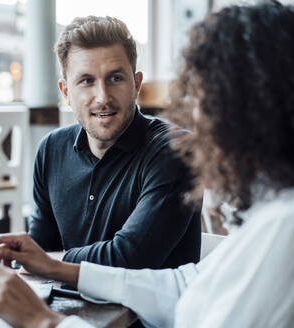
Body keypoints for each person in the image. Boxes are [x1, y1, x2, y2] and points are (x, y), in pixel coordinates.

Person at [0, 2, 294, 327]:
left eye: (209, 98)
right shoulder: (283, 211)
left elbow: (134, 259)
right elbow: (186, 283)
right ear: (66, 90)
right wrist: (56, 268)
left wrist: (44, 323)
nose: (199, 115)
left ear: (256, 112)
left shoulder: (293, 226)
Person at [20, 16, 200, 269]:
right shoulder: (51, 149)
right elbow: (39, 249)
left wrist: (38, 261)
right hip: (64, 306)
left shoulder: (177, 150)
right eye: (87, 81)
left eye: (115, 78)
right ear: (66, 93)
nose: (102, 97)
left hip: (144, 309)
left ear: (136, 84)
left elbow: (129, 258)